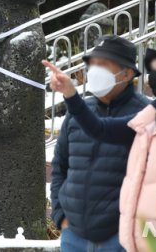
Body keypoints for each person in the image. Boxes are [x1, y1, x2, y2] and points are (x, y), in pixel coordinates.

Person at [43, 39, 156, 252]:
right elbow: (100, 130)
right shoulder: (151, 115)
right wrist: (71, 95)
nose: (153, 72)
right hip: (108, 236)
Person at [50, 35, 149, 252]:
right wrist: (60, 216)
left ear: (127, 73)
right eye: (92, 64)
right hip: (73, 236)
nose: (94, 70)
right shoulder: (77, 112)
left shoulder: (145, 114)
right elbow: (59, 167)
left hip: (121, 238)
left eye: (103, 64)